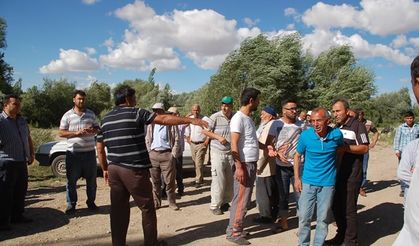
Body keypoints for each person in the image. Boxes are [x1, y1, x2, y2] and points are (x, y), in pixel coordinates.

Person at [96, 85, 208, 246]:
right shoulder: (136, 112)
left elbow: (100, 148)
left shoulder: (105, 119)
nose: (135, 101)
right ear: (127, 99)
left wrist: (105, 168)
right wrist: (191, 120)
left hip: (114, 170)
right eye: (134, 98)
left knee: (118, 211)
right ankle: (151, 243)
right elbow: (163, 119)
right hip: (133, 169)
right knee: (147, 207)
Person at [294, 107, 343, 246]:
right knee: (304, 218)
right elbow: (297, 156)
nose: (315, 124)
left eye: (319, 120)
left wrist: (336, 170)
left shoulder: (336, 135)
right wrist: (297, 178)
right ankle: (303, 244)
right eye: (313, 121)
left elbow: (340, 150)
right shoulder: (306, 136)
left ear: (327, 121)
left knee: (323, 219)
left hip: (327, 184)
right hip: (308, 182)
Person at [326, 98, 369, 246]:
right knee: (336, 206)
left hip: (352, 175)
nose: (335, 114)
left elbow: (364, 148)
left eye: (338, 111)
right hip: (336, 174)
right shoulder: (335, 127)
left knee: (348, 208)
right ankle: (341, 235)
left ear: (347, 111)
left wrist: (346, 148)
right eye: (333, 111)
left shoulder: (357, 126)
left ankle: (351, 241)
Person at [226, 87, 261, 245]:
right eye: (258, 100)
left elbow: (252, 141)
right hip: (244, 165)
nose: (259, 103)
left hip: (250, 163)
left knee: (243, 199)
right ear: (251, 100)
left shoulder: (248, 118)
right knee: (241, 199)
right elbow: (233, 144)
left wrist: (266, 147)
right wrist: (239, 166)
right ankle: (234, 232)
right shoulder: (238, 118)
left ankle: (236, 228)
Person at [58, 90, 99, 214]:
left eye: (83, 99)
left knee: (92, 180)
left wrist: (93, 129)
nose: (81, 101)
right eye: (79, 99)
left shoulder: (91, 114)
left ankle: (91, 202)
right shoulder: (67, 115)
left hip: (90, 153)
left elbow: (98, 128)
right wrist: (76, 133)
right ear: (74, 100)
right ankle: (71, 204)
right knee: (71, 181)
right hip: (73, 154)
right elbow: (61, 132)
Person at [393, 55, 419, 246]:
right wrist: (397, 150)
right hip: (405, 154)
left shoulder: (416, 130)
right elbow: (398, 140)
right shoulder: (401, 130)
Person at [0, 95, 35, 231]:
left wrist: (31, 153)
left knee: (20, 191)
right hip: (6, 162)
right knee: (5, 193)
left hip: (21, 161)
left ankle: (17, 216)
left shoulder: (21, 120)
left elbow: (28, 137)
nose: (18, 106)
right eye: (15, 104)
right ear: (6, 105)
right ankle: (3, 221)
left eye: (19, 104)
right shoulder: (1, 120)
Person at [271, 99, 306, 231]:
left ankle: (302, 226)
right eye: (291, 108)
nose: (294, 111)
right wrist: (274, 151)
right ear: (283, 111)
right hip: (281, 166)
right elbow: (269, 143)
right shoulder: (276, 124)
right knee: (283, 196)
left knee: (300, 196)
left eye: (295, 108)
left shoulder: (302, 125)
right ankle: (284, 222)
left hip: (299, 166)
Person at [202, 96, 235, 215]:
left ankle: (226, 202)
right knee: (218, 180)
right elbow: (205, 131)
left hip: (231, 153)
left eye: (227, 105)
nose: (225, 107)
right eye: (223, 105)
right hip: (217, 152)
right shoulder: (215, 117)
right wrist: (218, 137)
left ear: (231, 105)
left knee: (230, 180)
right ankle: (215, 205)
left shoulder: (235, 116)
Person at [145, 103, 181, 211]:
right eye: (154, 110)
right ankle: (156, 202)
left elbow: (177, 139)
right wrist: (149, 151)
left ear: (163, 111)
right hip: (154, 155)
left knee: (169, 181)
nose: (156, 112)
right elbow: (147, 139)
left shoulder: (171, 123)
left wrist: (173, 154)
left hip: (167, 154)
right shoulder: (151, 124)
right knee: (155, 181)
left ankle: (172, 202)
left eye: (158, 110)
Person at [254, 105, 279, 223]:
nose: (261, 116)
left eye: (263, 114)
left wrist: (258, 166)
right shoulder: (274, 124)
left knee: (262, 192)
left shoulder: (269, 126)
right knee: (271, 191)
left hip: (265, 167)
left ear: (270, 116)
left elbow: (265, 148)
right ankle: (272, 213)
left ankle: (265, 215)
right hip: (270, 165)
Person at [393, 110, 419, 197]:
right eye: (407, 118)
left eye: (411, 118)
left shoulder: (417, 127)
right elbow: (397, 139)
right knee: (404, 170)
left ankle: (413, 186)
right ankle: (403, 189)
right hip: (403, 152)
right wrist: (397, 150)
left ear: (413, 118)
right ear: (405, 119)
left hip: (415, 153)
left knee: (414, 169)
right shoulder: (400, 128)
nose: (409, 120)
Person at [185, 104, 210, 188]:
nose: (196, 112)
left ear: (200, 110)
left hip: (201, 144)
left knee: (199, 162)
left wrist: (206, 141)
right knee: (195, 162)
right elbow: (185, 128)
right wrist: (188, 139)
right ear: (192, 110)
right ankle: (200, 178)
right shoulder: (190, 119)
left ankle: (198, 180)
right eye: (194, 110)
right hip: (193, 143)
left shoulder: (205, 119)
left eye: (197, 110)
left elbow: (209, 130)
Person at [357, 109, 380, 197]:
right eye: (357, 114)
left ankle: (361, 187)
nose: (359, 116)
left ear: (363, 115)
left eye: (360, 115)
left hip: (364, 149)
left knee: (363, 169)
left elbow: (376, 132)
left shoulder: (368, 123)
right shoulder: (353, 122)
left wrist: (373, 143)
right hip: (354, 149)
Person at [167, 106, 186, 196]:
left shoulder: (179, 123)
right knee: (168, 173)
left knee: (178, 172)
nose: (171, 115)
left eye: (173, 114)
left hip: (178, 152)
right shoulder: (167, 123)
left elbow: (187, 120)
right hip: (168, 152)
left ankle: (180, 189)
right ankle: (166, 191)